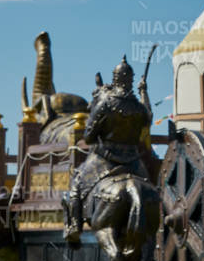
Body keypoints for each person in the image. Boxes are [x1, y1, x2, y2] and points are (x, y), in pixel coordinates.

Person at [62, 56, 152, 243]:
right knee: (149, 188)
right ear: (131, 80)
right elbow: (148, 118)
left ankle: (73, 227)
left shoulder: (105, 104)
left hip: (105, 160)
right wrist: (143, 92)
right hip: (134, 162)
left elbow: (88, 137)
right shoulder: (137, 105)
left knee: (77, 181)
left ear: (115, 78)